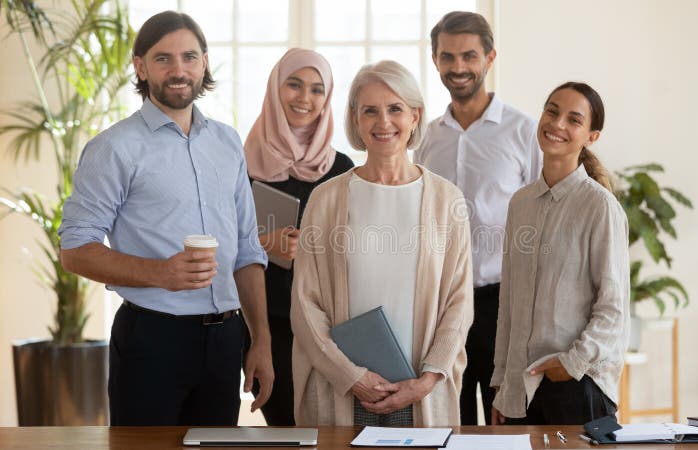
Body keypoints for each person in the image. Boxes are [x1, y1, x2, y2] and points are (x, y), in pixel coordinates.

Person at [58, 11, 274, 426]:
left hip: (225, 340)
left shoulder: (227, 142)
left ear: (205, 61)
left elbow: (248, 247)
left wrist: (260, 340)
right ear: (140, 66)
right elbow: (75, 250)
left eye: (189, 57)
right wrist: (161, 273)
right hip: (151, 340)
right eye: (163, 59)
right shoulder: (114, 149)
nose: (179, 70)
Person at [290, 60, 473, 426]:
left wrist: (428, 379)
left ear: (415, 116)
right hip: (342, 386)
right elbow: (304, 303)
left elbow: (459, 300)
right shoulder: (326, 199)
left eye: (395, 109)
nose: (383, 122)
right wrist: (350, 376)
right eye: (369, 111)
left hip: (420, 389)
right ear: (355, 119)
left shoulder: (446, 199)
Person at [413, 11, 543, 425]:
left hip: (503, 302)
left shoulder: (524, 132)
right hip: (442, 303)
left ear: (490, 57)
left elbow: (545, 220)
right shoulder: (426, 138)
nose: (458, 67)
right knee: (451, 418)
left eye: (469, 55)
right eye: (447, 57)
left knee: (509, 422)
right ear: (435, 60)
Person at [490, 82, 630, 425]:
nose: (557, 124)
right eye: (552, 111)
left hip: (578, 387)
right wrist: (502, 384)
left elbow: (613, 307)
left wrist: (571, 364)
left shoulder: (600, 207)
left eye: (573, 119)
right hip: (521, 393)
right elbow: (509, 301)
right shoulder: (520, 204)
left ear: (591, 137)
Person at [243, 48, 354, 425]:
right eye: (294, 84)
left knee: (331, 428)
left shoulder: (341, 168)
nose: (304, 98)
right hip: (264, 323)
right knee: (283, 429)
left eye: (317, 89)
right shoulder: (240, 162)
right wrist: (263, 245)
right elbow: (215, 244)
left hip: (327, 326)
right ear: (276, 87)